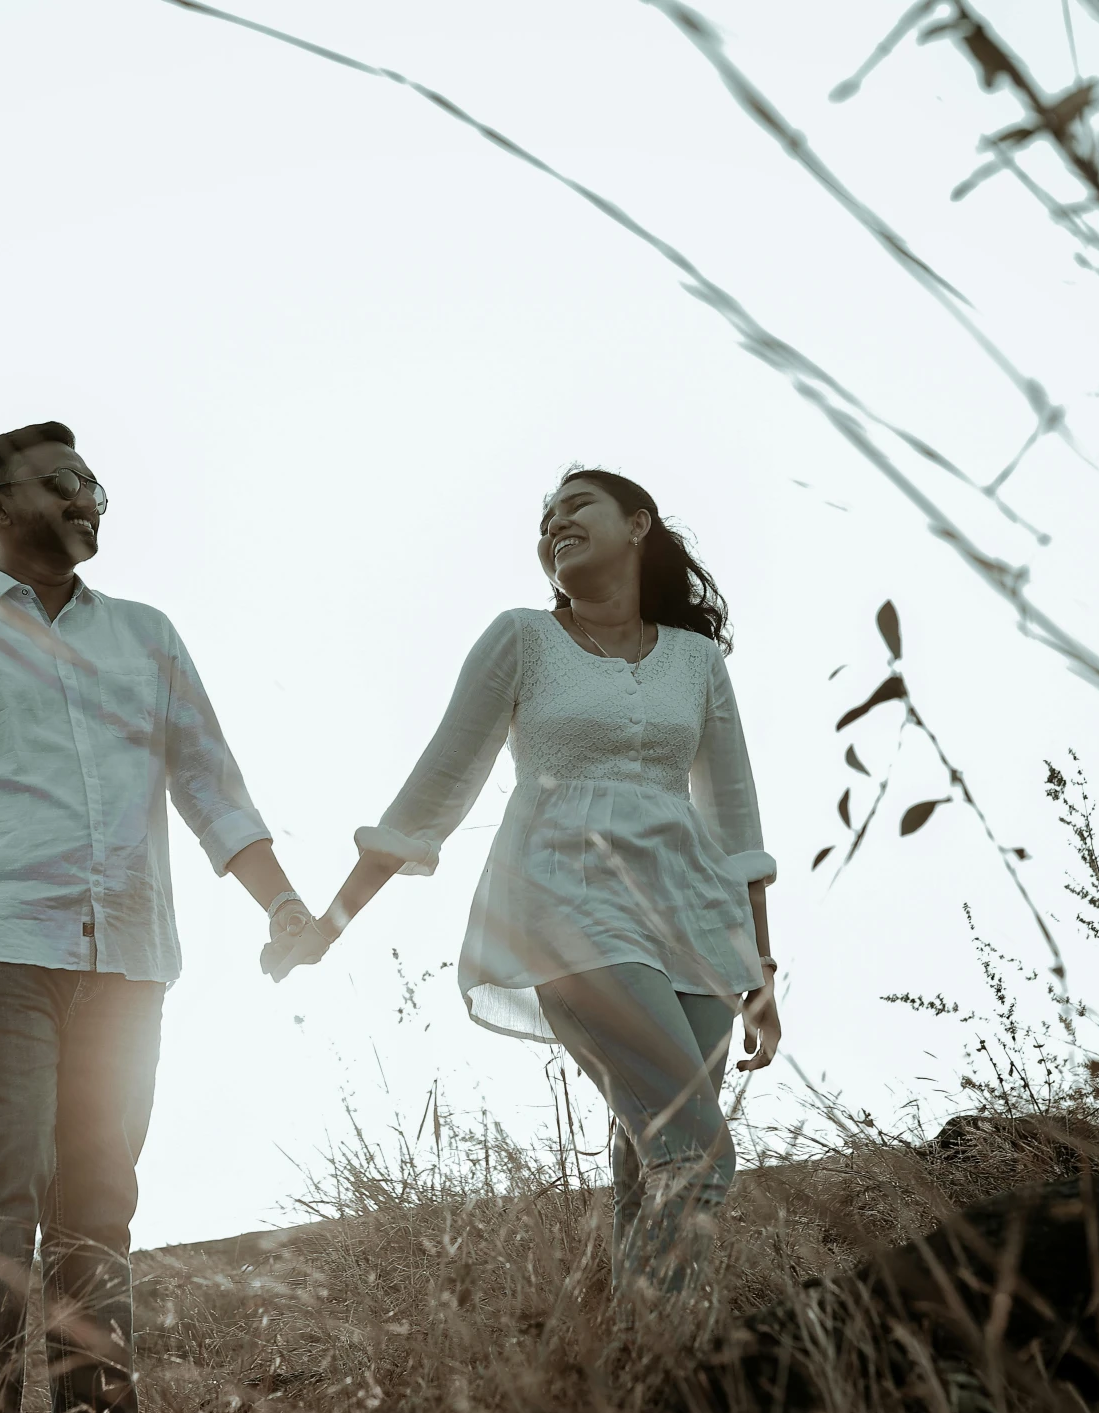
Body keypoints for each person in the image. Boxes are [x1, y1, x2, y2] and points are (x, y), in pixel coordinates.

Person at [0, 420, 312, 1413]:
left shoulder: (146, 635)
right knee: (2, 1181)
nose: (89, 497)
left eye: (94, 484)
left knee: (100, 1197)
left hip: (128, 960)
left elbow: (210, 785)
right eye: (63, 483)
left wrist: (281, 904)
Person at [273, 467, 780, 1296]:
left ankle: (624, 1385)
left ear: (639, 523)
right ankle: (672, 1379)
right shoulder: (523, 640)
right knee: (697, 1151)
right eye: (545, 520)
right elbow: (433, 790)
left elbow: (735, 818)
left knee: (646, 1164)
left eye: (576, 506)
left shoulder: (695, 661)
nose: (553, 525)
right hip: (567, 908)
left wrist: (757, 965)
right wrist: (329, 923)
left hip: (693, 922)